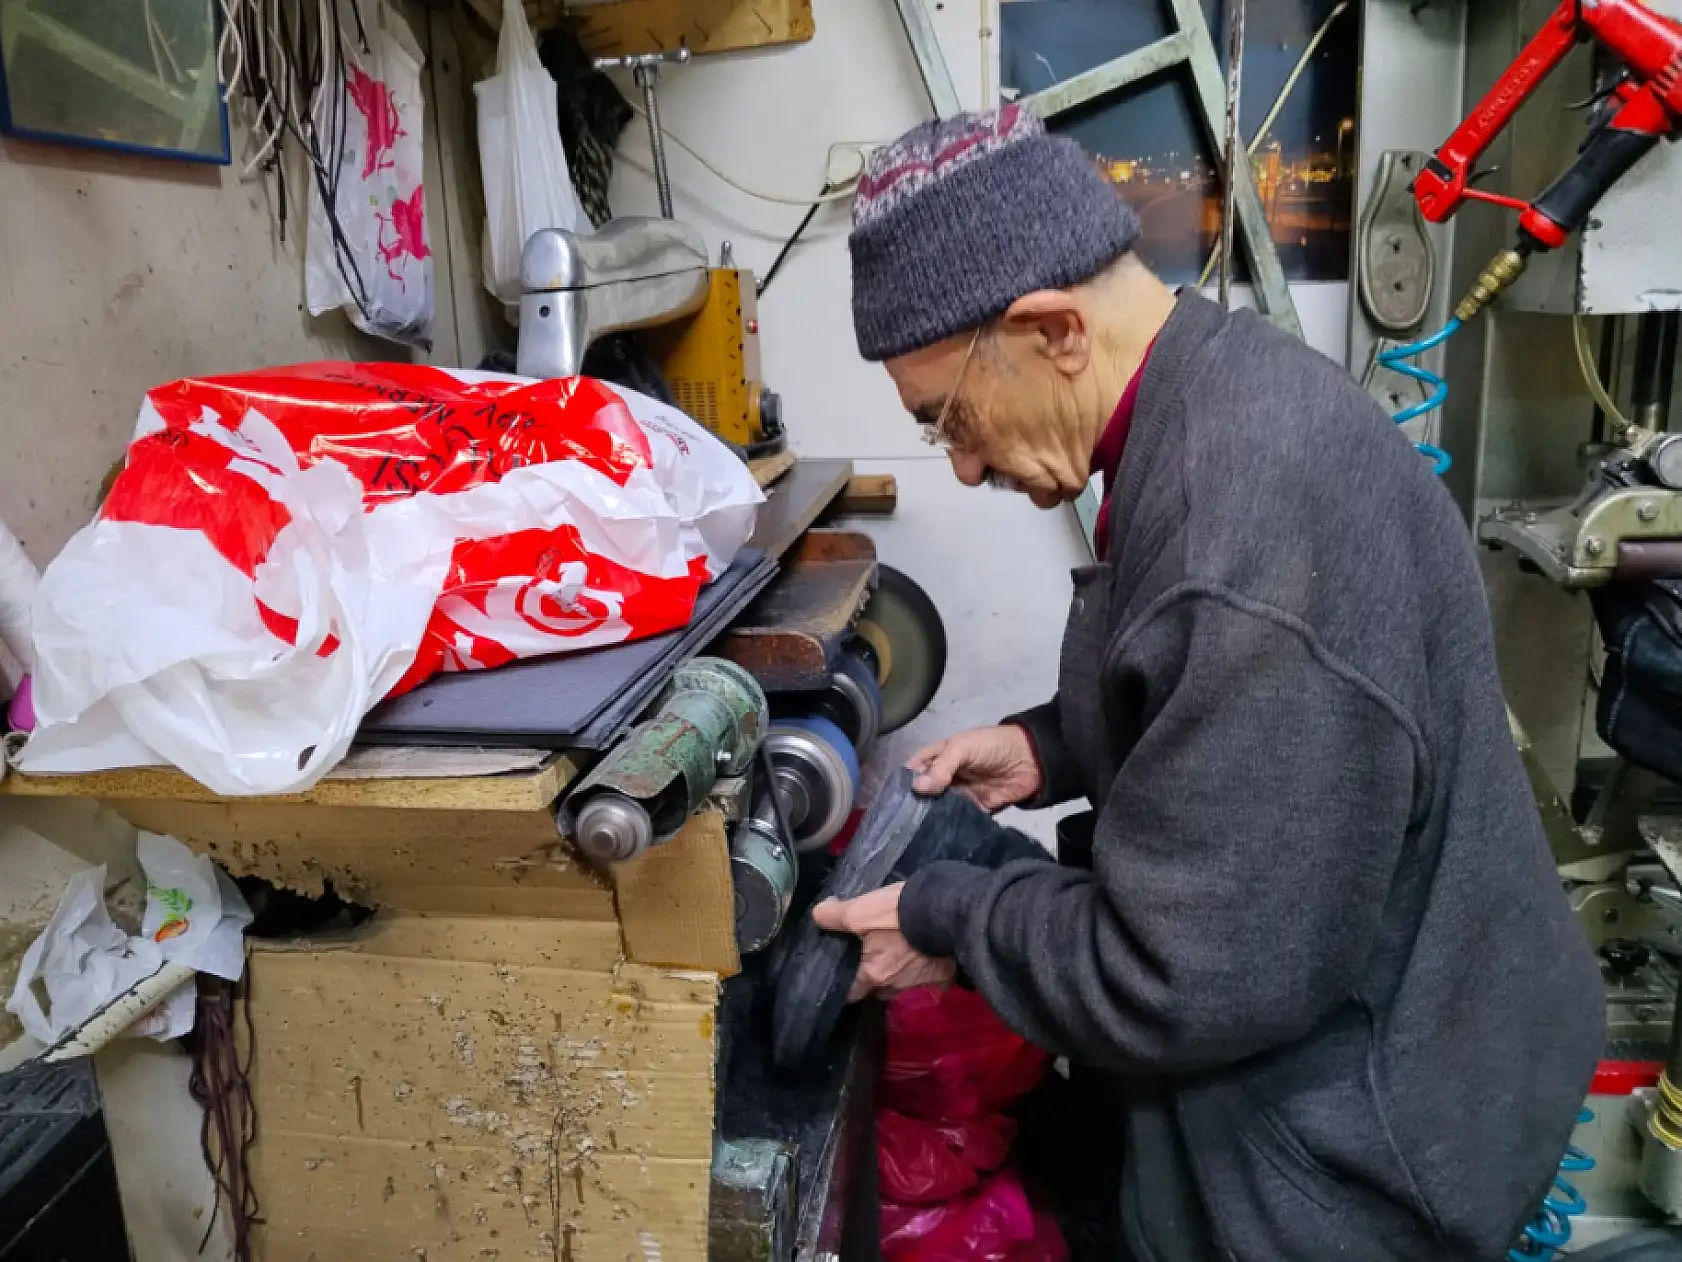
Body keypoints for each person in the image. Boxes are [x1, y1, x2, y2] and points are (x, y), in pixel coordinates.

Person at [810, 105, 1605, 1260]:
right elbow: (1212, 700)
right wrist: (1048, 744)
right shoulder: (1209, 387)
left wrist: (948, 919)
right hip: (1365, 1031)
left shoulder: (1241, 522)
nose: (966, 464)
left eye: (951, 421)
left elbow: (1177, 977)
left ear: (1053, 329)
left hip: (1357, 1148)